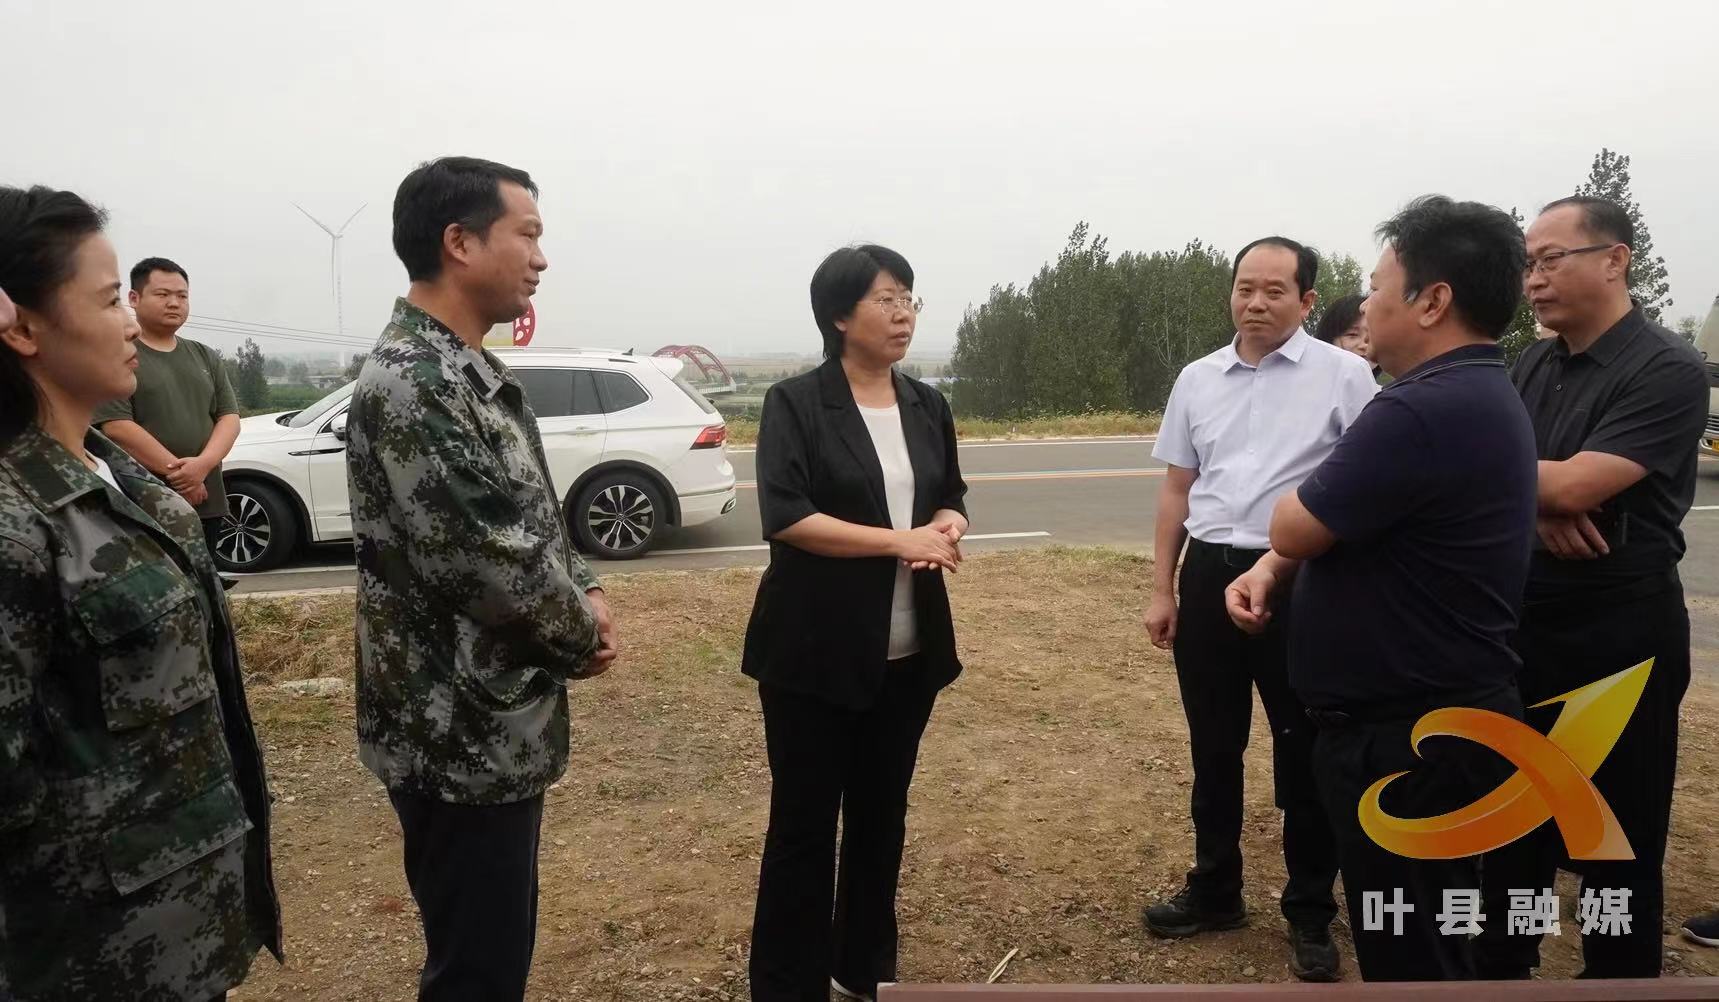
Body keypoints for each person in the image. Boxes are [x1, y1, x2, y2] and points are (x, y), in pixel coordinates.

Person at [1226, 195, 1537, 981]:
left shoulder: (1417, 409)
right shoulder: (1473, 390)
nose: (1364, 307)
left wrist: (1283, 527)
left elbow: (1294, 525)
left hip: (1407, 740)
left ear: (1432, 301)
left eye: (1375, 287)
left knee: (1412, 959)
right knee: (1423, 937)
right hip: (1436, 720)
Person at [346, 156, 616, 1001]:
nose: (540, 258)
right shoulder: (415, 381)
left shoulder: (463, 370)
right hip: (452, 730)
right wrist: (581, 633)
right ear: (459, 243)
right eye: (526, 235)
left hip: (485, 718)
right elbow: (486, 560)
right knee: (477, 972)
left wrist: (585, 583)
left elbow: (530, 514)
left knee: (493, 955)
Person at [0, 185, 280, 999]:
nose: (130, 324)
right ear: (20, 326)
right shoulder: (16, 520)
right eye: (107, 300)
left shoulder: (119, 477)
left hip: (182, 933)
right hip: (89, 959)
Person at [1475, 196, 1709, 980]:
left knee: (1614, 828)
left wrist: (1544, 491)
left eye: (1550, 260)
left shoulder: (1666, 369)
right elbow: (1523, 478)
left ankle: (1617, 980)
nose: (1532, 281)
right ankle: (1499, 969)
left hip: (1619, 633)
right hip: (1524, 622)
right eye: (1527, 265)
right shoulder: (1532, 363)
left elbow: (1568, 482)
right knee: (1514, 816)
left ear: (1614, 260)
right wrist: (1539, 505)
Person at [1142, 237, 1376, 981]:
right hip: (1210, 570)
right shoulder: (1197, 378)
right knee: (1213, 745)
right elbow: (1178, 489)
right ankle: (1215, 889)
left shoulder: (1345, 376)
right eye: (1245, 287)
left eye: (1275, 290)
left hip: (1303, 579)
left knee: (1304, 747)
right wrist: (1163, 587)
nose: (1255, 302)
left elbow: (1365, 486)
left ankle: (1309, 911)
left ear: (1307, 301)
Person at [743, 244, 969, 1002]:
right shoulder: (796, 404)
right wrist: (899, 541)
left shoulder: (926, 404)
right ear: (839, 315)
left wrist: (947, 524)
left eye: (909, 298)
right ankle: (787, 985)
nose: (903, 313)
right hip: (812, 653)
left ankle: (864, 971)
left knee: (881, 820)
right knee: (804, 829)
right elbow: (788, 517)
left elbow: (950, 494)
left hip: (907, 654)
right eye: (885, 299)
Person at [93, 258, 241, 555]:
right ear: (134, 298)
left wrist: (202, 466)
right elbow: (117, 427)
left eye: (182, 296)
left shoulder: (204, 356)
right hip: (146, 504)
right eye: (162, 294)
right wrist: (183, 477)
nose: (174, 303)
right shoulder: (118, 354)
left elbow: (229, 418)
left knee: (208, 577)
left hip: (207, 499)